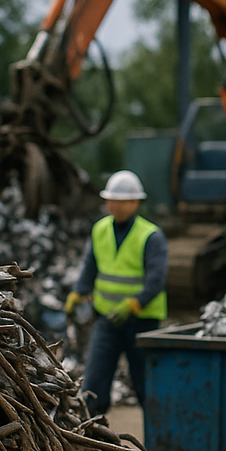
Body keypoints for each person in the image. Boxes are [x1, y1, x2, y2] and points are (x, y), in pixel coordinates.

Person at [64, 170, 168, 416]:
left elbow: (157, 279)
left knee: (146, 385)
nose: (112, 205)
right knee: (94, 384)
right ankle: (91, 440)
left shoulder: (151, 236)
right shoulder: (100, 229)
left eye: (118, 200)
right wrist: (79, 292)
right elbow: (91, 265)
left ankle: (157, 442)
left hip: (142, 323)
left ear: (134, 202)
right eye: (109, 199)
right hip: (107, 320)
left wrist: (134, 304)